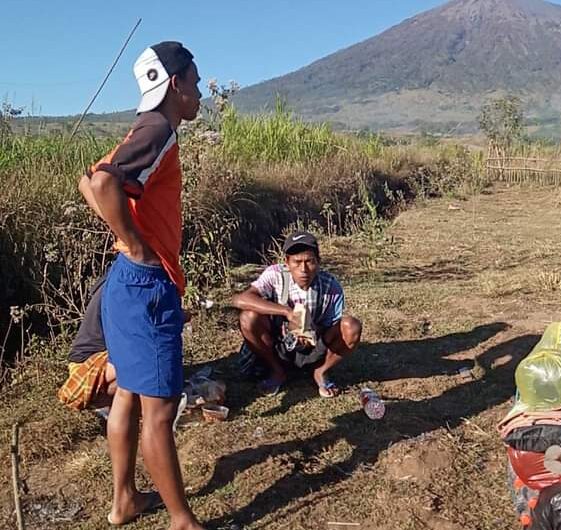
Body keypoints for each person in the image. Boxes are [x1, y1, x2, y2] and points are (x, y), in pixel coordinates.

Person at [78, 42, 204, 529]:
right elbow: (105, 183)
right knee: (160, 408)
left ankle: (125, 500)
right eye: (194, 83)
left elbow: (87, 180)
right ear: (175, 85)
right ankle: (181, 521)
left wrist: (125, 241)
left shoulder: (141, 128)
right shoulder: (159, 131)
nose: (199, 94)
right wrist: (137, 246)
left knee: (129, 394)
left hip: (126, 283)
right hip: (145, 284)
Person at [232, 231, 363, 397]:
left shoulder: (331, 286)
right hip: (279, 345)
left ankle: (320, 371)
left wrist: (311, 331)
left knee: (351, 326)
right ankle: (277, 370)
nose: (304, 269)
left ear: (318, 262)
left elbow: (333, 328)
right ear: (286, 262)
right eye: (297, 262)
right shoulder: (276, 276)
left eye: (309, 261)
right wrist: (286, 311)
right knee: (248, 317)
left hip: (315, 347)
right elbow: (241, 299)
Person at [57, 277, 116, 413]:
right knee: (140, 369)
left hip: (100, 360)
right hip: (87, 364)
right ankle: (101, 406)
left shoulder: (116, 279)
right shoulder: (121, 288)